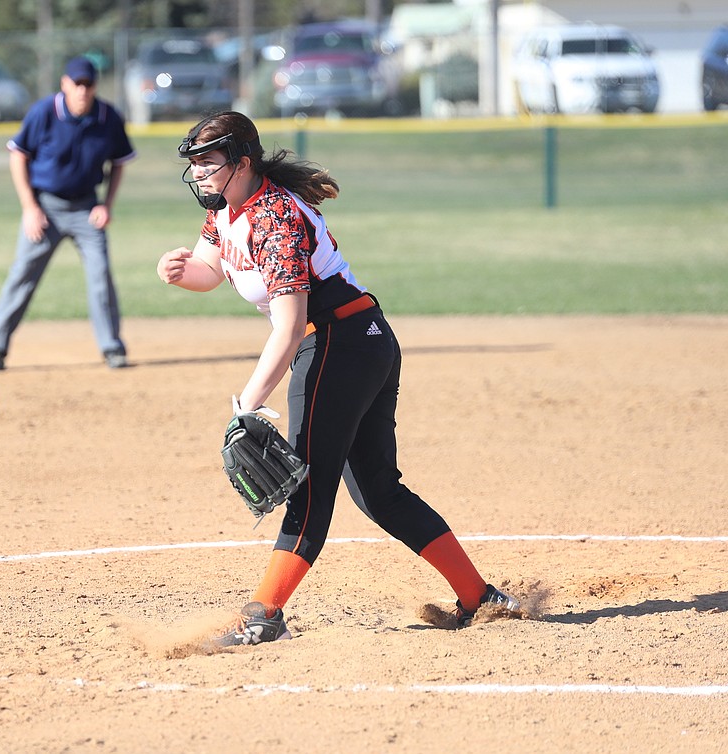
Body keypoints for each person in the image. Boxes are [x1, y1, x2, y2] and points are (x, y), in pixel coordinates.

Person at [156, 111, 520, 646]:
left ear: (244, 162)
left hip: (337, 345)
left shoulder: (274, 217)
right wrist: (182, 272)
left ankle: (265, 615)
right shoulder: (227, 211)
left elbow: (287, 326)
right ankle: (479, 597)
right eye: (196, 164)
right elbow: (212, 270)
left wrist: (248, 404)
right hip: (362, 340)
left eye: (209, 161)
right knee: (378, 491)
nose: (200, 172)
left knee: (309, 490)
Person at [0, 56, 136, 371]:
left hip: (86, 209)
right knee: (23, 274)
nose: (82, 90)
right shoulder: (43, 112)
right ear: (65, 84)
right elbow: (17, 156)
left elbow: (120, 161)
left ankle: (112, 348)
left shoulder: (108, 117)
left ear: (94, 87)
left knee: (100, 276)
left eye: (88, 84)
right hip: (45, 208)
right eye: (76, 83)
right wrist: (29, 207)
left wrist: (107, 205)